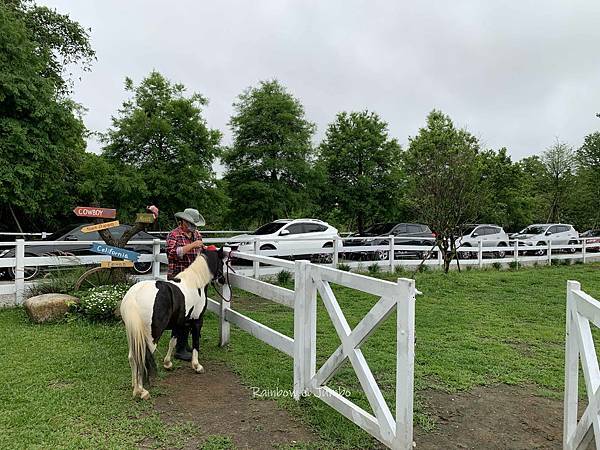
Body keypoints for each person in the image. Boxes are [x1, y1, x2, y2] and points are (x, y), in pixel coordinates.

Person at [166, 208, 206, 361]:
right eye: (190, 223)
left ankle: (183, 343)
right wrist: (192, 245)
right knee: (180, 313)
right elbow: (172, 253)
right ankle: (180, 348)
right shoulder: (174, 234)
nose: (193, 227)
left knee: (192, 312)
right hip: (178, 278)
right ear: (183, 221)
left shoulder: (196, 234)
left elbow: (199, 250)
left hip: (194, 278)